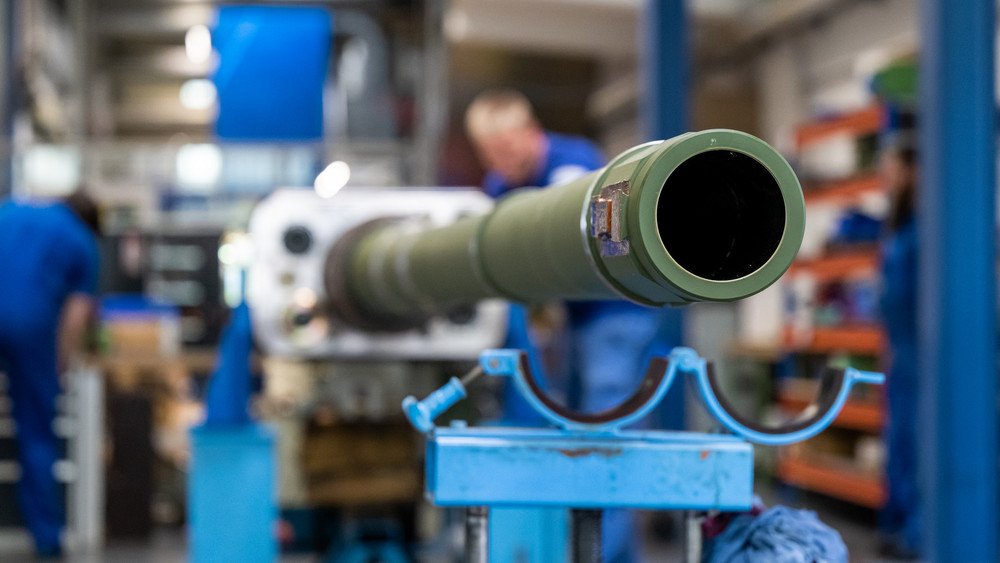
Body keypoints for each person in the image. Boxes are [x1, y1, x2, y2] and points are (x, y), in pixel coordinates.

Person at [466, 90, 676, 563]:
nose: (500, 162)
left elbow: (574, 226)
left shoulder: (574, 164)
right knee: (576, 431)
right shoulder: (503, 185)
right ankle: (602, 550)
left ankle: (598, 553)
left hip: (617, 317)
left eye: (506, 147)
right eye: (489, 153)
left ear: (529, 131)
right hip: (574, 324)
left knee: (607, 433)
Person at [0, 191, 101, 557]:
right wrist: (59, 365)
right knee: (37, 433)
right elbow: (75, 315)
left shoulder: (8, 211)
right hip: (33, 327)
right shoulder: (80, 240)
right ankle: (46, 539)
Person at [877, 134, 920, 560]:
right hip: (901, 350)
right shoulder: (899, 225)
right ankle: (899, 523)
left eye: (892, 169)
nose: (886, 178)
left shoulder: (933, 227)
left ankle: (921, 530)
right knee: (900, 440)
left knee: (924, 440)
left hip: (930, 355)